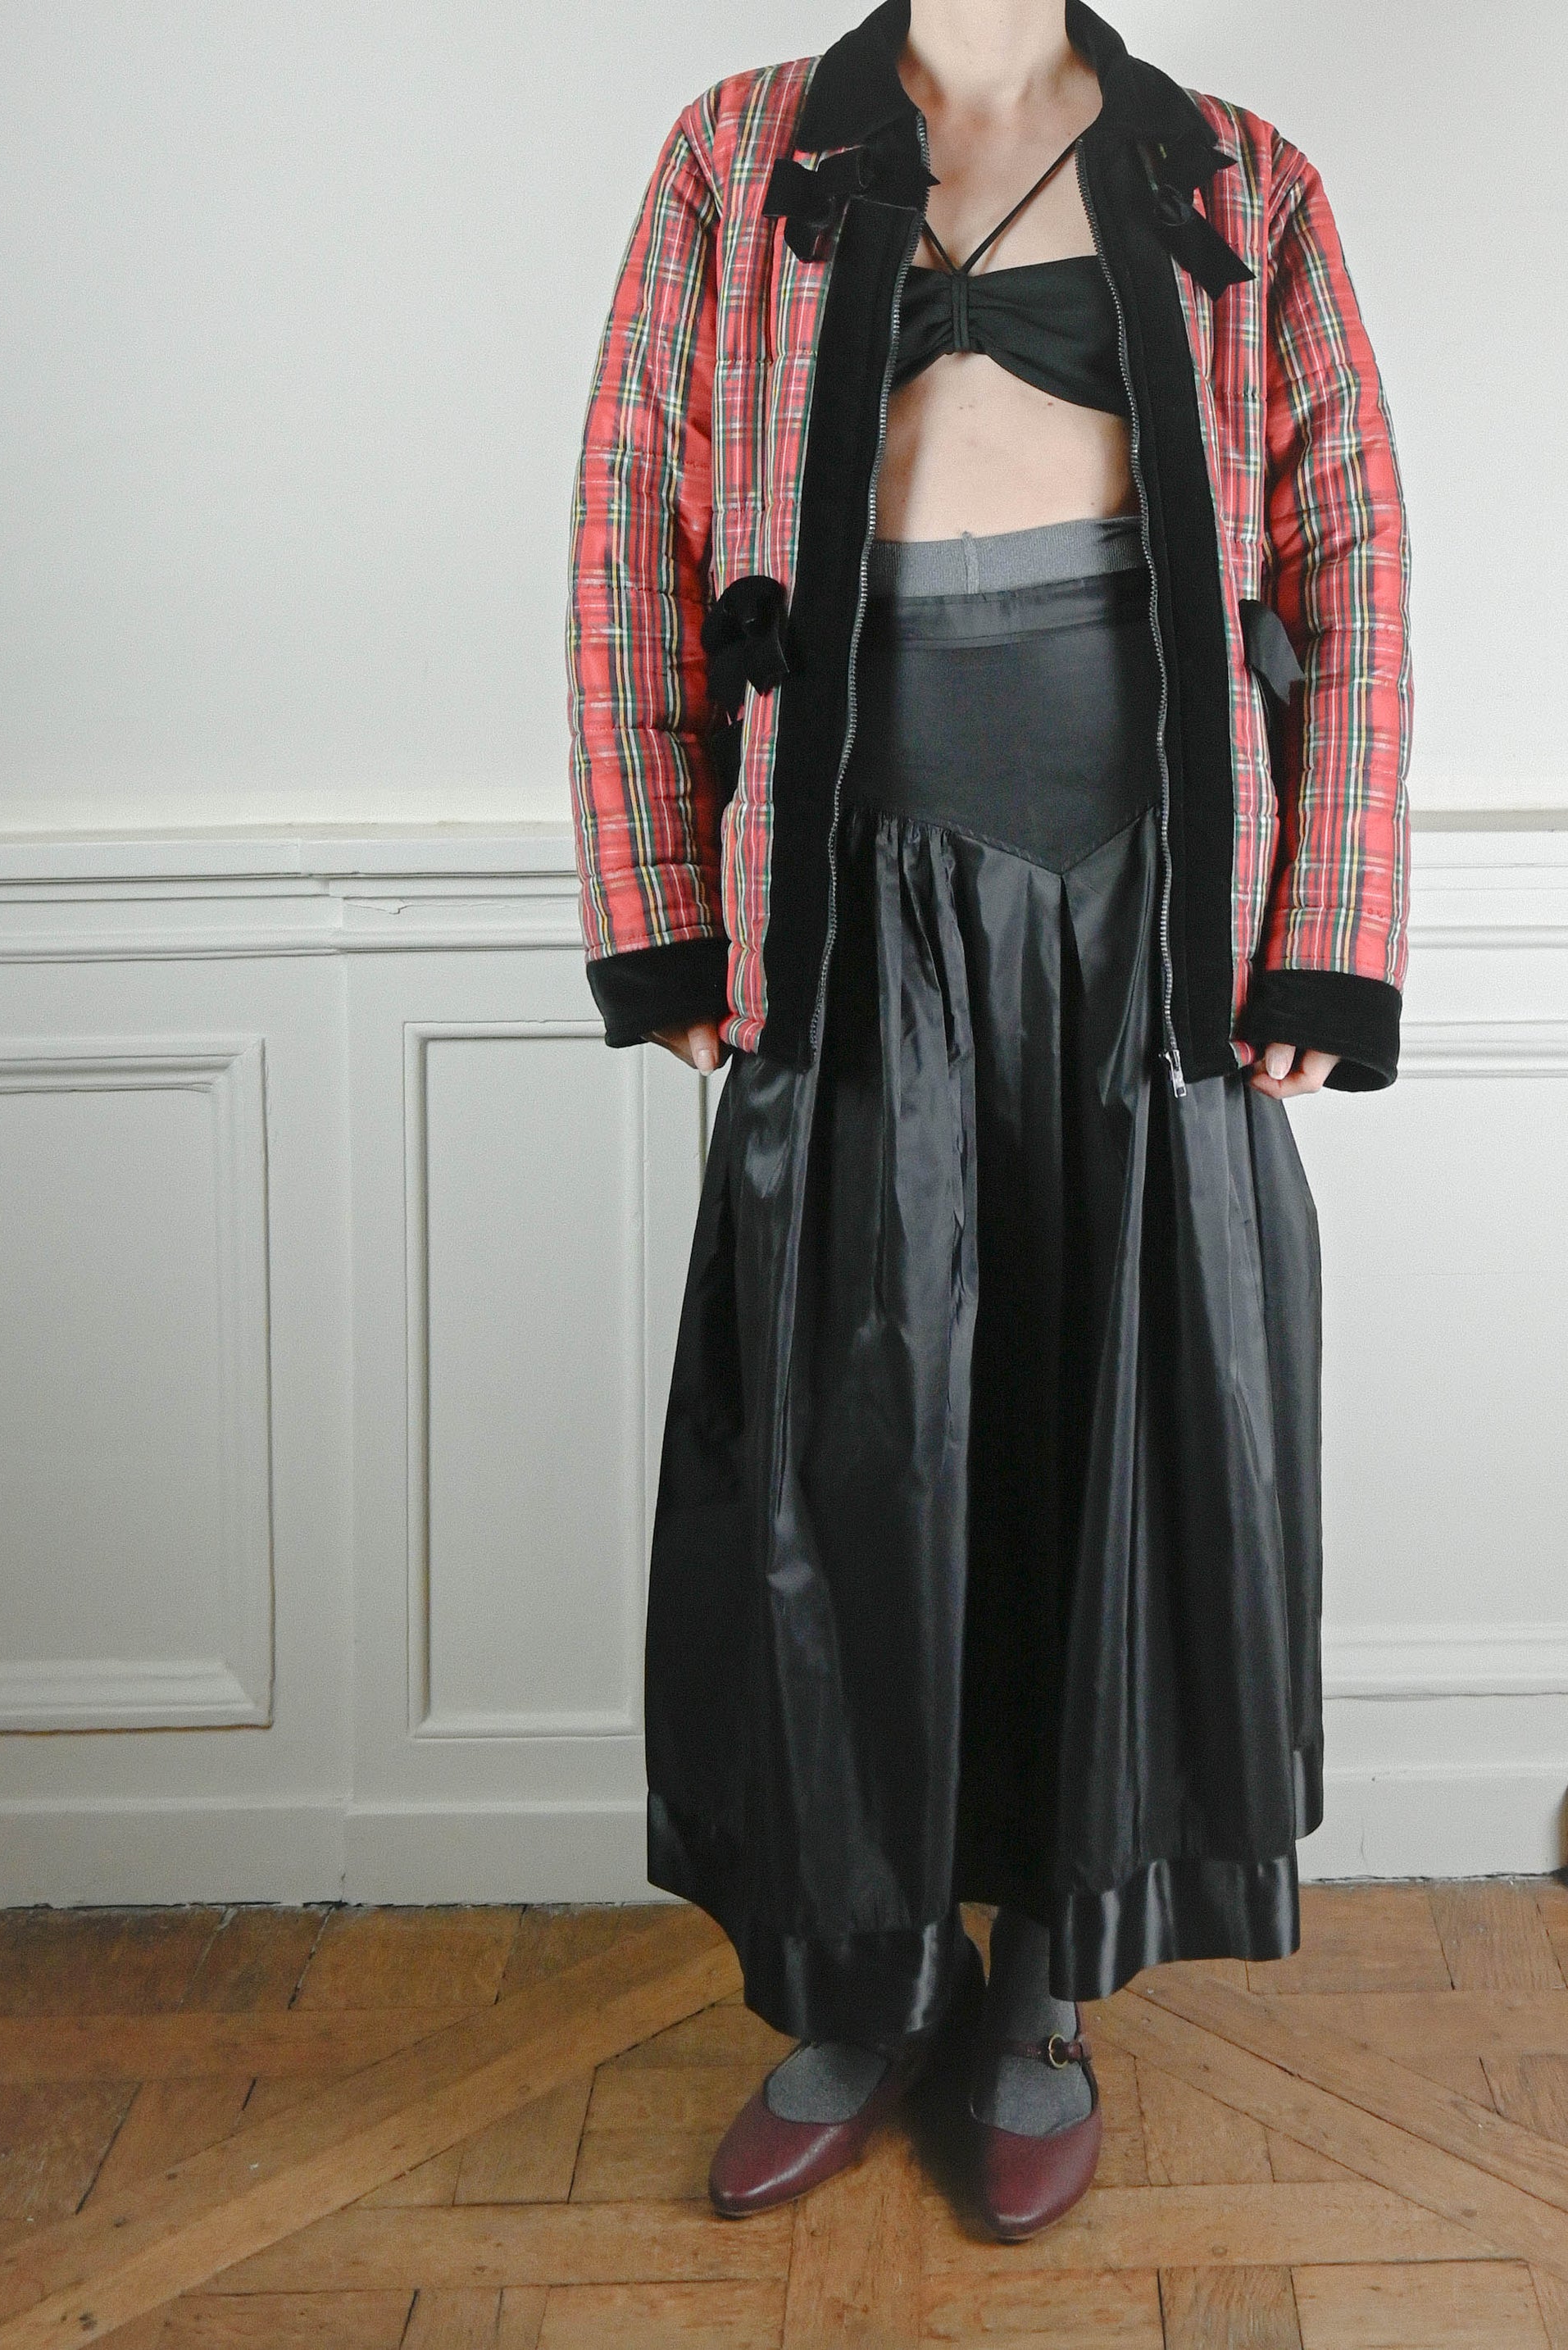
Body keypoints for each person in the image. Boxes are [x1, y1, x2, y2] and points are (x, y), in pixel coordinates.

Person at [566, 0, 1411, 2242]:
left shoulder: (1244, 176)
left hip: (1151, 916)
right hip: (844, 907)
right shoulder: (735, 156)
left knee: (1103, 1438)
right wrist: (663, 913)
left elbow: (1352, 549)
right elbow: (628, 528)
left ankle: (1041, 1983)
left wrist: (1322, 936)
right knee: (842, 1465)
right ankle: (858, 1981)